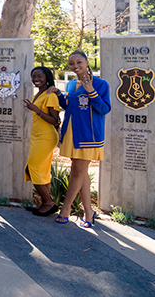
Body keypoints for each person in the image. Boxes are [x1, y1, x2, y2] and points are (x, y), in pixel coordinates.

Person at [49, 50, 110, 228]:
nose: (75, 67)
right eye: (71, 64)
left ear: (87, 62)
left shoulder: (100, 83)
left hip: (89, 135)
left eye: (79, 63)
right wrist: (59, 95)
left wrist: (91, 91)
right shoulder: (70, 84)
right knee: (80, 173)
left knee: (77, 171)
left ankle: (66, 208)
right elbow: (69, 105)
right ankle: (89, 212)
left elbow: (104, 109)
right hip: (72, 132)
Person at [22, 66, 61, 216]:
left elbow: (55, 120)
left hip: (46, 136)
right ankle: (44, 203)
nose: (36, 79)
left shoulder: (50, 95)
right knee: (41, 170)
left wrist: (36, 109)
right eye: (34, 76)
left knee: (31, 168)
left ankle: (49, 203)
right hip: (37, 135)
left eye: (40, 76)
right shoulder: (39, 93)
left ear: (47, 77)